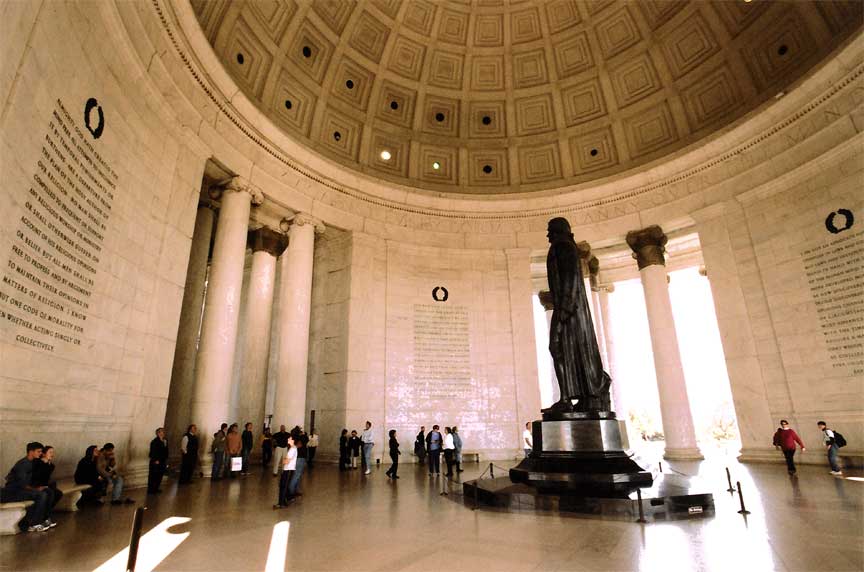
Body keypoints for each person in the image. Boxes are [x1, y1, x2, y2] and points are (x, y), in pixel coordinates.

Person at [548, 217, 611, 412]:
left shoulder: (563, 247)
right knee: (570, 352)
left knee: (557, 347)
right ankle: (584, 395)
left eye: (551, 230)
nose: (548, 234)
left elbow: (570, 280)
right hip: (572, 311)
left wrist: (563, 312)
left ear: (560, 230)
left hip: (569, 311)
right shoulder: (565, 247)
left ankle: (568, 397)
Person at [1, 442, 55, 532]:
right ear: (31, 452)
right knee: (41, 495)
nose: (41, 454)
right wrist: (36, 489)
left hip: (23, 490)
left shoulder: (33, 462)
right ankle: (33, 524)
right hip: (13, 492)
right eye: (39, 451)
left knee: (49, 491)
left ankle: (44, 519)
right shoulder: (23, 464)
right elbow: (22, 484)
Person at [274, 435, 297, 508]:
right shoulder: (292, 448)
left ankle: (281, 503)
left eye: (290, 438)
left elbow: (286, 461)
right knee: (283, 486)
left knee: (283, 486)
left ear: (293, 440)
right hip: (288, 469)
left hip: (288, 470)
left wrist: (284, 460)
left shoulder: (292, 449)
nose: (288, 439)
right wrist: (285, 459)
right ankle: (286, 499)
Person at [287, 429, 307, 498]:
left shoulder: (294, 438)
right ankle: (291, 491)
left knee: (298, 475)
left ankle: (295, 490)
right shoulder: (299, 438)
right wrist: (303, 434)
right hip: (300, 458)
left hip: (298, 458)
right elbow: (305, 440)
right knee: (297, 475)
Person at [148, 428, 169, 494]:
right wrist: (155, 460)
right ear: (157, 433)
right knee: (153, 476)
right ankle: (151, 490)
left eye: (163, 432)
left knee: (160, 475)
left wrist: (166, 459)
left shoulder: (165, 441)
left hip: (162, 461)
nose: (162, 433)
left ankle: (156, 488)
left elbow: (166, 451)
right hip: (156, 461)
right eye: (161, 432)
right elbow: (152, 452)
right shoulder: (154, 442)